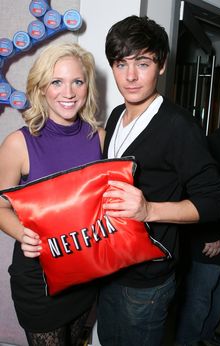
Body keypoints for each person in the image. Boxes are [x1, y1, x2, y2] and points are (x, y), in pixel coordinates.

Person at [96, 15, 220, 346]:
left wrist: (149, 209)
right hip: (109, 266)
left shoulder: (177, 126)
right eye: (121, 63)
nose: (130, 76)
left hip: (147, 279)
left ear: (162, 66)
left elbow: (215, 201)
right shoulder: (116, 116)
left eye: (142, 63)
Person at [0, 42, 105, 345]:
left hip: (84, 274)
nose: (68, 92)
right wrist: (23, 235)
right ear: (41, 87)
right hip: (38, 279)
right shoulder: (19, 143)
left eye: (77, 81)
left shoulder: (99, 139)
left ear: (87, 86)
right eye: (57, 82)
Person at [175, 98, 220, 346]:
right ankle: (187, 341)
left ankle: (206, 336)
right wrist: (211, 234)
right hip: (212, 240)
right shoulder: (213, 144)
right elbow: (199, 195)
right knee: (199, 297)